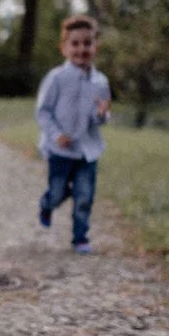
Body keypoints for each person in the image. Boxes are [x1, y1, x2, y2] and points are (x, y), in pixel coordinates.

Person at [35, 14, 111, 254]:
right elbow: (43, 112)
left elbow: (100, 118)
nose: (81, 49)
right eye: (75, 43)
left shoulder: (101, 82)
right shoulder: (56, 78)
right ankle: (47, 203)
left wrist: (102, 114)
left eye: (87, 43)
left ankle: (80, 238)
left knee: (84, 196)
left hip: (87, 150)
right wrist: (56, 134)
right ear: (64, 47)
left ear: (95, 46)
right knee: (57, 193)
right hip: (60, 149)